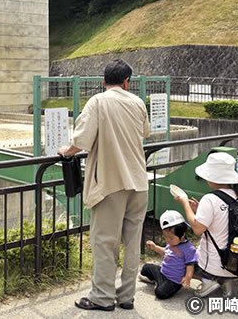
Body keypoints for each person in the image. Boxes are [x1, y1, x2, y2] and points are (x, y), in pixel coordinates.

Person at [57, 59, 150, 311]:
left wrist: (67, 151)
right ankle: (126, 296)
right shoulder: (138, 102)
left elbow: (82, 141)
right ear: (127, 82)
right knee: (132, 242)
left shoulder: (98, 101)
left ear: (103, 81)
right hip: (139, 182)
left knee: (105, 241)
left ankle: (102, 297)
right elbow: (145, 132)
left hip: (111, 182)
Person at [174, 152, 238, 297]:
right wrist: (199, 211)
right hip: (235, 261)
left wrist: (185, 203)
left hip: (214, 264)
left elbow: (197, 229)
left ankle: (209, 280)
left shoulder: (210, 199)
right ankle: (228, 281)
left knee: (177, 261)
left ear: (213, 177)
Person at [139, 210, 197, 299]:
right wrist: (155, 247)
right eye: (165, 237)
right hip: (163, 272)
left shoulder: (188, 249)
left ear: (182, 235)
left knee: (160, 293)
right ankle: (158, 281)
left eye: (171, 238)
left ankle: (158, 283)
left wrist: (187, 278)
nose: (168, 240)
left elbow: (190, 265)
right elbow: (165, 252)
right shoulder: (171, 243)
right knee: (145, 268)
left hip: (174, 281)